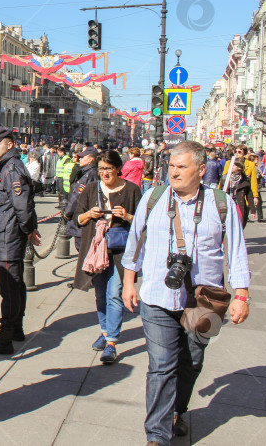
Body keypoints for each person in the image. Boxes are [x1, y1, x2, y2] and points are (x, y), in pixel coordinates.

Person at [122, 141, 250, 446]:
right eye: (171, 166)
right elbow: (135, 242)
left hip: (202, 301)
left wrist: (242, 295)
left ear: (201, 170)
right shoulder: (153, 198)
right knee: (161, 366)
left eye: (182, 167)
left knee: (192, 362)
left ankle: (178, 411)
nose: (174, 172)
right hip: (156, 297)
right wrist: (128, 282)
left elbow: (237, 251)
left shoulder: (221, 203)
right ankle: (157, 435)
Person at [72, 151, 142, 364]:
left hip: (120, 252)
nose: (104, 173)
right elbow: (78, 219)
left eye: (108, 170)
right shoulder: (92, 189)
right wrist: (89, 215)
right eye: (101, 169)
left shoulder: (132, 189)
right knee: (100, 294)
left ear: (118, 169)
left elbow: (142, 223)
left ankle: (111, 342)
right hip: (96, 250)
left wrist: (127, 216)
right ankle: (104, 332)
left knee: (114, 293)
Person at [0, 128, 40, 355]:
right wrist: (29, 227)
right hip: (8, 231)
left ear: (10, 144)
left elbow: (22, 204)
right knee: (15, 284)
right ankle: (15, 329)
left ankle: (6, 336)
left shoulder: (12, 168)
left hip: (8, 234)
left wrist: (28, 228)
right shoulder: (7, 166)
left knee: (9, 286)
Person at [64, 147, 100, 249]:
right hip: (87, 217)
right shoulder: (90, 173)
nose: (80, 159)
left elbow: (77, 197)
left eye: (82, 157)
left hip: (83, 217)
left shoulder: (89, 175)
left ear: (90, 159)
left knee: (83, 250)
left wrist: (67, 212)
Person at [223, 158, 251, 228]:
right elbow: (220, 191)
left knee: (239, 225)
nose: (231, 167)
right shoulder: (225, 177)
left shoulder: (244, 179)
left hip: (238, 204)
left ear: (239, 167)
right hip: (227, 204)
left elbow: (249, 194)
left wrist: (252, 209)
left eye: (233, 165)